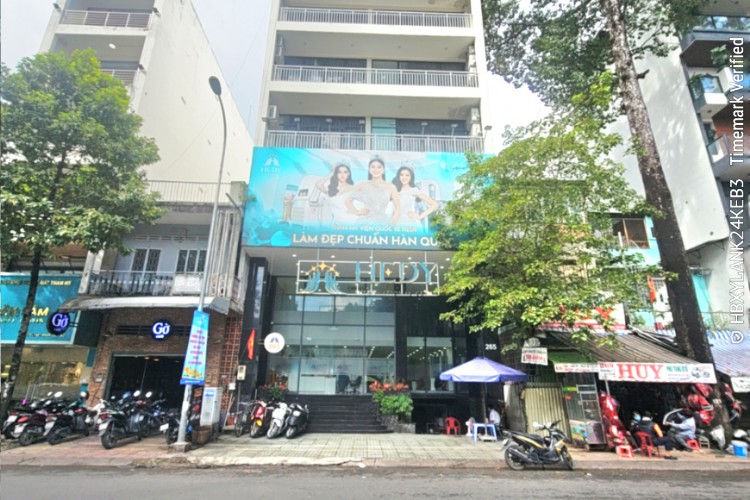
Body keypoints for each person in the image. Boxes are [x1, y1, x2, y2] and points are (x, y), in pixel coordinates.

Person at [346, 156, 401, 225]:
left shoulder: (391, 187)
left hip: (382, 223)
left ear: (383, 170)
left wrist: (391, 225)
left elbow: (398, 209)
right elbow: (348, 201)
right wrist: (357, 212)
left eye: (379, 167)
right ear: (369, 170)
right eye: (373, 167)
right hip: (363, 223)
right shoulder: (362, 184)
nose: (376, 170)